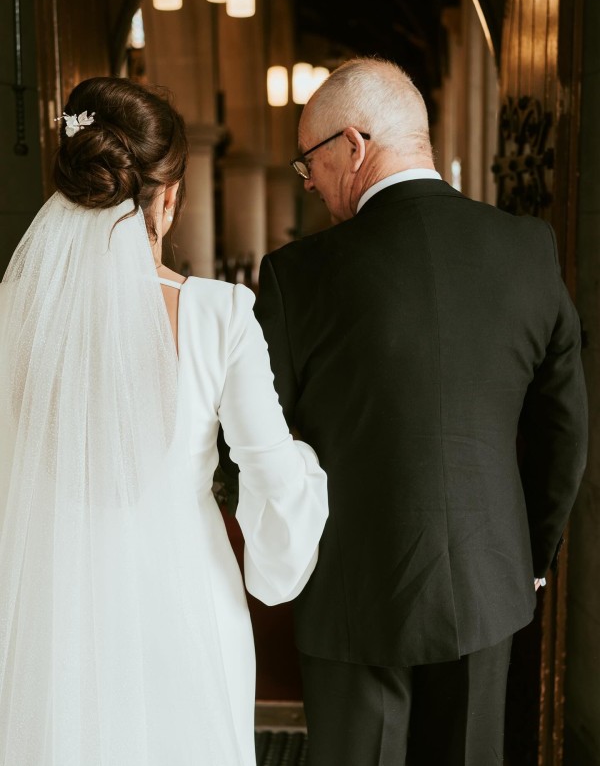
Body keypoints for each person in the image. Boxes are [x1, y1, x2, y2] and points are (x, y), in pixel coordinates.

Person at [254, 57, 588, 766]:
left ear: (354, 144)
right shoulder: (528, 248)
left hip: (349, 591)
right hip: (487, 581)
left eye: (308, 159)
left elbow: (259, 439)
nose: (307, 179)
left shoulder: (296, 276)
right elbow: (564, 428)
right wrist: (527, 557)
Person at [0, 77, 328, 766]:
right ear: (170, 199)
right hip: (185, 603)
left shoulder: (12, 314)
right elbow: (275, 481)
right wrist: (304, 482)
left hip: (53, 609)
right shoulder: (220, 314)